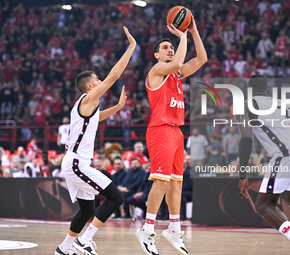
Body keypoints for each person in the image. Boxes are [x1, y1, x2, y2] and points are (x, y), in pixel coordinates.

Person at [55, 26, 136, 255]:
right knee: (115, 197)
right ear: (90, 86)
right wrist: (131, 47)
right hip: (76, 163)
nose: (101, 81)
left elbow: (96, 120)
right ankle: (85, 240)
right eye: (97, 80)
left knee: (86, 210)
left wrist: (118, 107)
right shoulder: (89, 98)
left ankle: (65, 248)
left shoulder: (83, 105)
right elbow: (114, 76)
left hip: (75, 162)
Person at [135, 15, 207, 255]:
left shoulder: (176, 75)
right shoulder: (157, 70)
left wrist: (194, 32)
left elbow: (202, 59)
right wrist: (182, 35)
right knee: (162, 181)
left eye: (172, 48)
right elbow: (176, 64)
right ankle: (147, 229)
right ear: (156, 55)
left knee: (177, 182)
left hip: (176, 132)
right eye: (165, 48)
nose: (170, 50)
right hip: (160, 130)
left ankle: (174, 228)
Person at [237, 75, 290, 255]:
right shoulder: (282, 102)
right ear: (267, 91)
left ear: (250, 92)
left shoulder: (248, 103)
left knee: (263, 205)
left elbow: (246, 139)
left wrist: (242, 174)